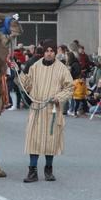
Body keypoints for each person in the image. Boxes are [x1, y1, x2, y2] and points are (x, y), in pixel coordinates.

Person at [14, 41, 74, 182]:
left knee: (50, 141)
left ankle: (48, 169)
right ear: (43, 52)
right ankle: (32, 171)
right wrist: (18, 71)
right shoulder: (35, 66)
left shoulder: (62, 69)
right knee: (33, 139)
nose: (49, 53)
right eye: (46, 50)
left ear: (55, 52)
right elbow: (27, 85)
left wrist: (58, 98)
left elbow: (70, 87)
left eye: (51, 51)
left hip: (52, 109)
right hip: (37, 108)